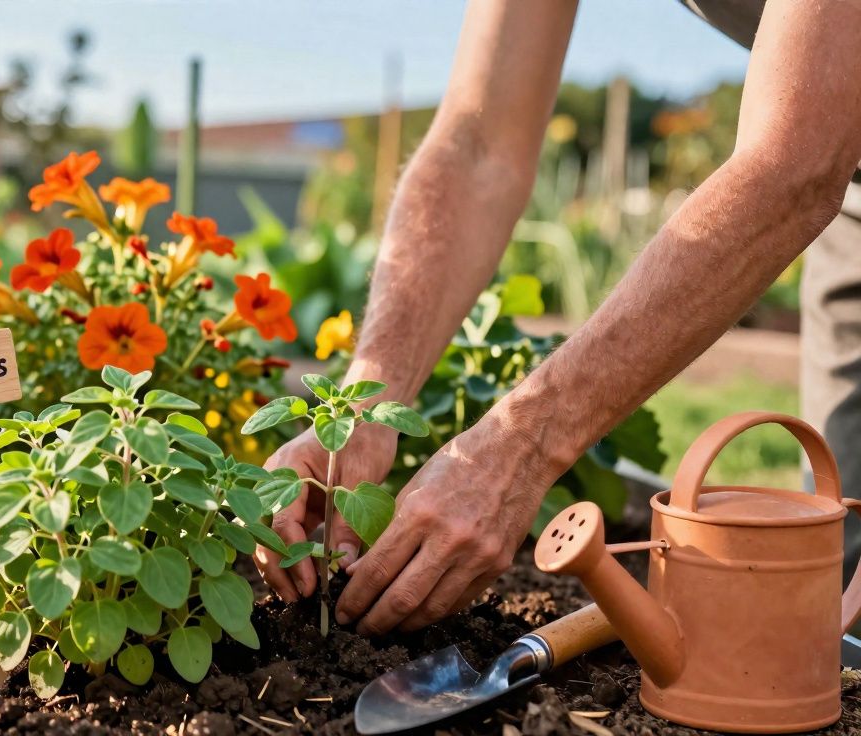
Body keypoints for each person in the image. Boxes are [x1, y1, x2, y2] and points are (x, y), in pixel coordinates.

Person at [255, 0, 861, 636]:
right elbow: (477, 146)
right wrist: (363, 405)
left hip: (824, 148)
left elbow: (795, 160)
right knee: (835, 592)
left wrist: (520, 444)